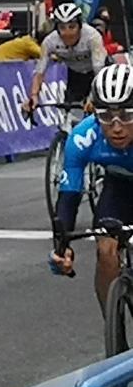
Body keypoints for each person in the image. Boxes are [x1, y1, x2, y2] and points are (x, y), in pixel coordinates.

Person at [50, 64, 133, 315]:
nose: (116, 127)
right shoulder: (83, 136)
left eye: (127, 115)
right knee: (105, 250)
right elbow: (69, 195)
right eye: (106, 116)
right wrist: (61, 248)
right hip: (118, 185)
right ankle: (114, 331)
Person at [23, 2, 108, 112]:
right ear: (56, 28)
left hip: (100, 73)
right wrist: (34, 96)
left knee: (102, 107)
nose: (67, 33)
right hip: (76, 75)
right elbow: (39, 72)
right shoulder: (49, 42)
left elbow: (99, 71)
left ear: (80, 26)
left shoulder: (92, 36)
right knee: (71, 112)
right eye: (62, 27)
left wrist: (93, 98)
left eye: (72, 27)